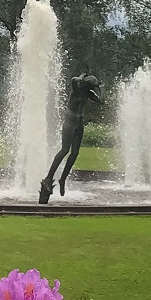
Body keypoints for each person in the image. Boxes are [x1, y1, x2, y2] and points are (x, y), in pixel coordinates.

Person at [39, 73, 103, 204]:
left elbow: (101, 101)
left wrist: (102, 88)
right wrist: (81, 77)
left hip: (79, 123)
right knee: (64, 150)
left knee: (75, 153)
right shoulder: (76, 90)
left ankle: (63, 179)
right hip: (69, 122)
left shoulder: (88, 93)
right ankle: (49, 177)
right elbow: (73, 79)